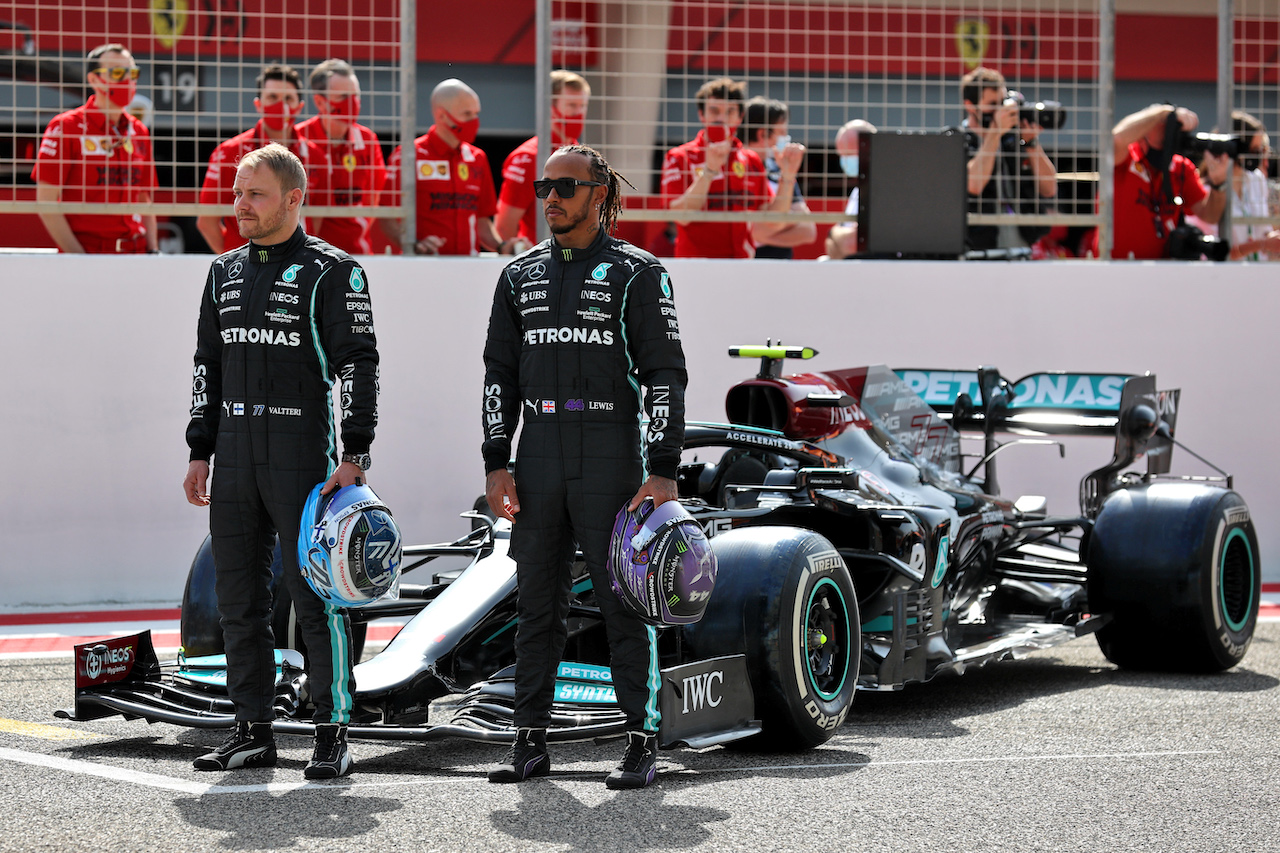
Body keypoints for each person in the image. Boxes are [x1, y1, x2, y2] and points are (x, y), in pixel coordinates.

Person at [481, 143, 687, 789]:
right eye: (545, 185)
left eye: (566, 187)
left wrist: (663, 468)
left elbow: (665, 375)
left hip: (610, 454)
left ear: (599, 194)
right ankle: (529, 741)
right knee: (537, 605)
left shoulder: (639, 272)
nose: (552, 197)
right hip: (537, 451)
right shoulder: (518, 276)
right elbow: (498, 375)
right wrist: (495, 460)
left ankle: (641, 740)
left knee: (625, 601)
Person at [183, 143, 378, 780]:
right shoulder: (223, 271)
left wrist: (354, 454)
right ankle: (253, 731)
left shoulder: (334, 271)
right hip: (234, 456)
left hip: (304, 460)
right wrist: (198, 451)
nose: (239, 204)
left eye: (255, 194)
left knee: (315, 600)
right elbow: (206, 366)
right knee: (239, 600)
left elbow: (360, 366)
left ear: (294, 198)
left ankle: (332, 733)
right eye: (237, 192)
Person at [32, 43, 158, 254]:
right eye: (117, 73)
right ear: (93, 80)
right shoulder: (65, 127)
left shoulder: (139, 131)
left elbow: (144, 199)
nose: (127, 81)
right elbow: (46, 202)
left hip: (136, 253)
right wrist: (79, 257)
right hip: (88, 253)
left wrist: (153, 250)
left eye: (132, 73)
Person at [197, 64, 331, 254]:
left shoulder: (316, 156)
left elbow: (317, 219)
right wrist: (236, 262)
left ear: (299, 107)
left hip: (298, 266)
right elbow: (207, 222)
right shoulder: (229, 153)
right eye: (273, 97)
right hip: (247, 268)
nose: (281, 105)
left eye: (288, 98)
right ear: (258, 104)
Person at [660, 77, 799, 258]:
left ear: (740, 117)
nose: (721, 119)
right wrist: (709, 172)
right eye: (714, 111)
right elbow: (681, 217)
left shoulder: (750, 160)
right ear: (702, 115)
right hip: (696, 265)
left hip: (742, 264)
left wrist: (788, 176)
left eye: (730, 112)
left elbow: (774, 222)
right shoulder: (680, 157)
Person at [382, 78, 520, 255]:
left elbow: (482, 222)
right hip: (422, 267)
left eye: (476, 113)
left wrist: (502, 246)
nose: (474, 120)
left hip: (469, 267)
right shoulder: (408, 156)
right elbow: (387, 217)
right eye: (467, 114)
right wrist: (413, 244)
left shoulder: (478, 158)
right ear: (442, 116)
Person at [1099, 103, 1229, 259]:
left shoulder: (1180, 167)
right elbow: (1116, 139)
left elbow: (1209, 215)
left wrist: (1219, 182)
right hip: (1116, 266)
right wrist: (1163, 113)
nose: (1167, 131)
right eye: (1162, 125)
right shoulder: (1128, 157)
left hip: (1162, 269)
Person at [956, 67, 1058, 253]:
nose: (999, 111)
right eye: (992, 104)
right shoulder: (959, 140)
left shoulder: (1012, 138)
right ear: (970, 105)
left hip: (1022, 243)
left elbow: (1049, 188)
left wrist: (1031, 142)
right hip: (977, 246)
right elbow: (974, 185)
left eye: (1002, 103)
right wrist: (995, 131)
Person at [295, 58, 387, 255]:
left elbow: (374, 199)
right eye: (344, 96)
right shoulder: (299, 140)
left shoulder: (368, 140)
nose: (352, 103)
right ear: (320, 101)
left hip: (358, 254)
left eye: (356, 95)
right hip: (310, 255)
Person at [495, 70, 590, 248]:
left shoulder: (585, 158)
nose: (578, 113)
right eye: (571, 105)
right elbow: (504, 226)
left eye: (582, 106)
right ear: (550, 109)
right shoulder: (528, 158)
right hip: (543, 262)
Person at [741, 96, 816, 259]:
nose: (787, 139)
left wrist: (766, 232)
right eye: (782, 132)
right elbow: (750, 229)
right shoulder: (734, 170)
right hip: (744, 265)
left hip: (781, 265)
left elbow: (809, 231)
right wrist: (786, 220)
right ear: (762, 134)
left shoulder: (780, 170)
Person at [823, 118, 876, 260]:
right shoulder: (857, 192)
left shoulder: (884, 189)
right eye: (841, 155)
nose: (844, 161)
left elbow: (851, 243)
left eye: (848, 154)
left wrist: (833, 234)